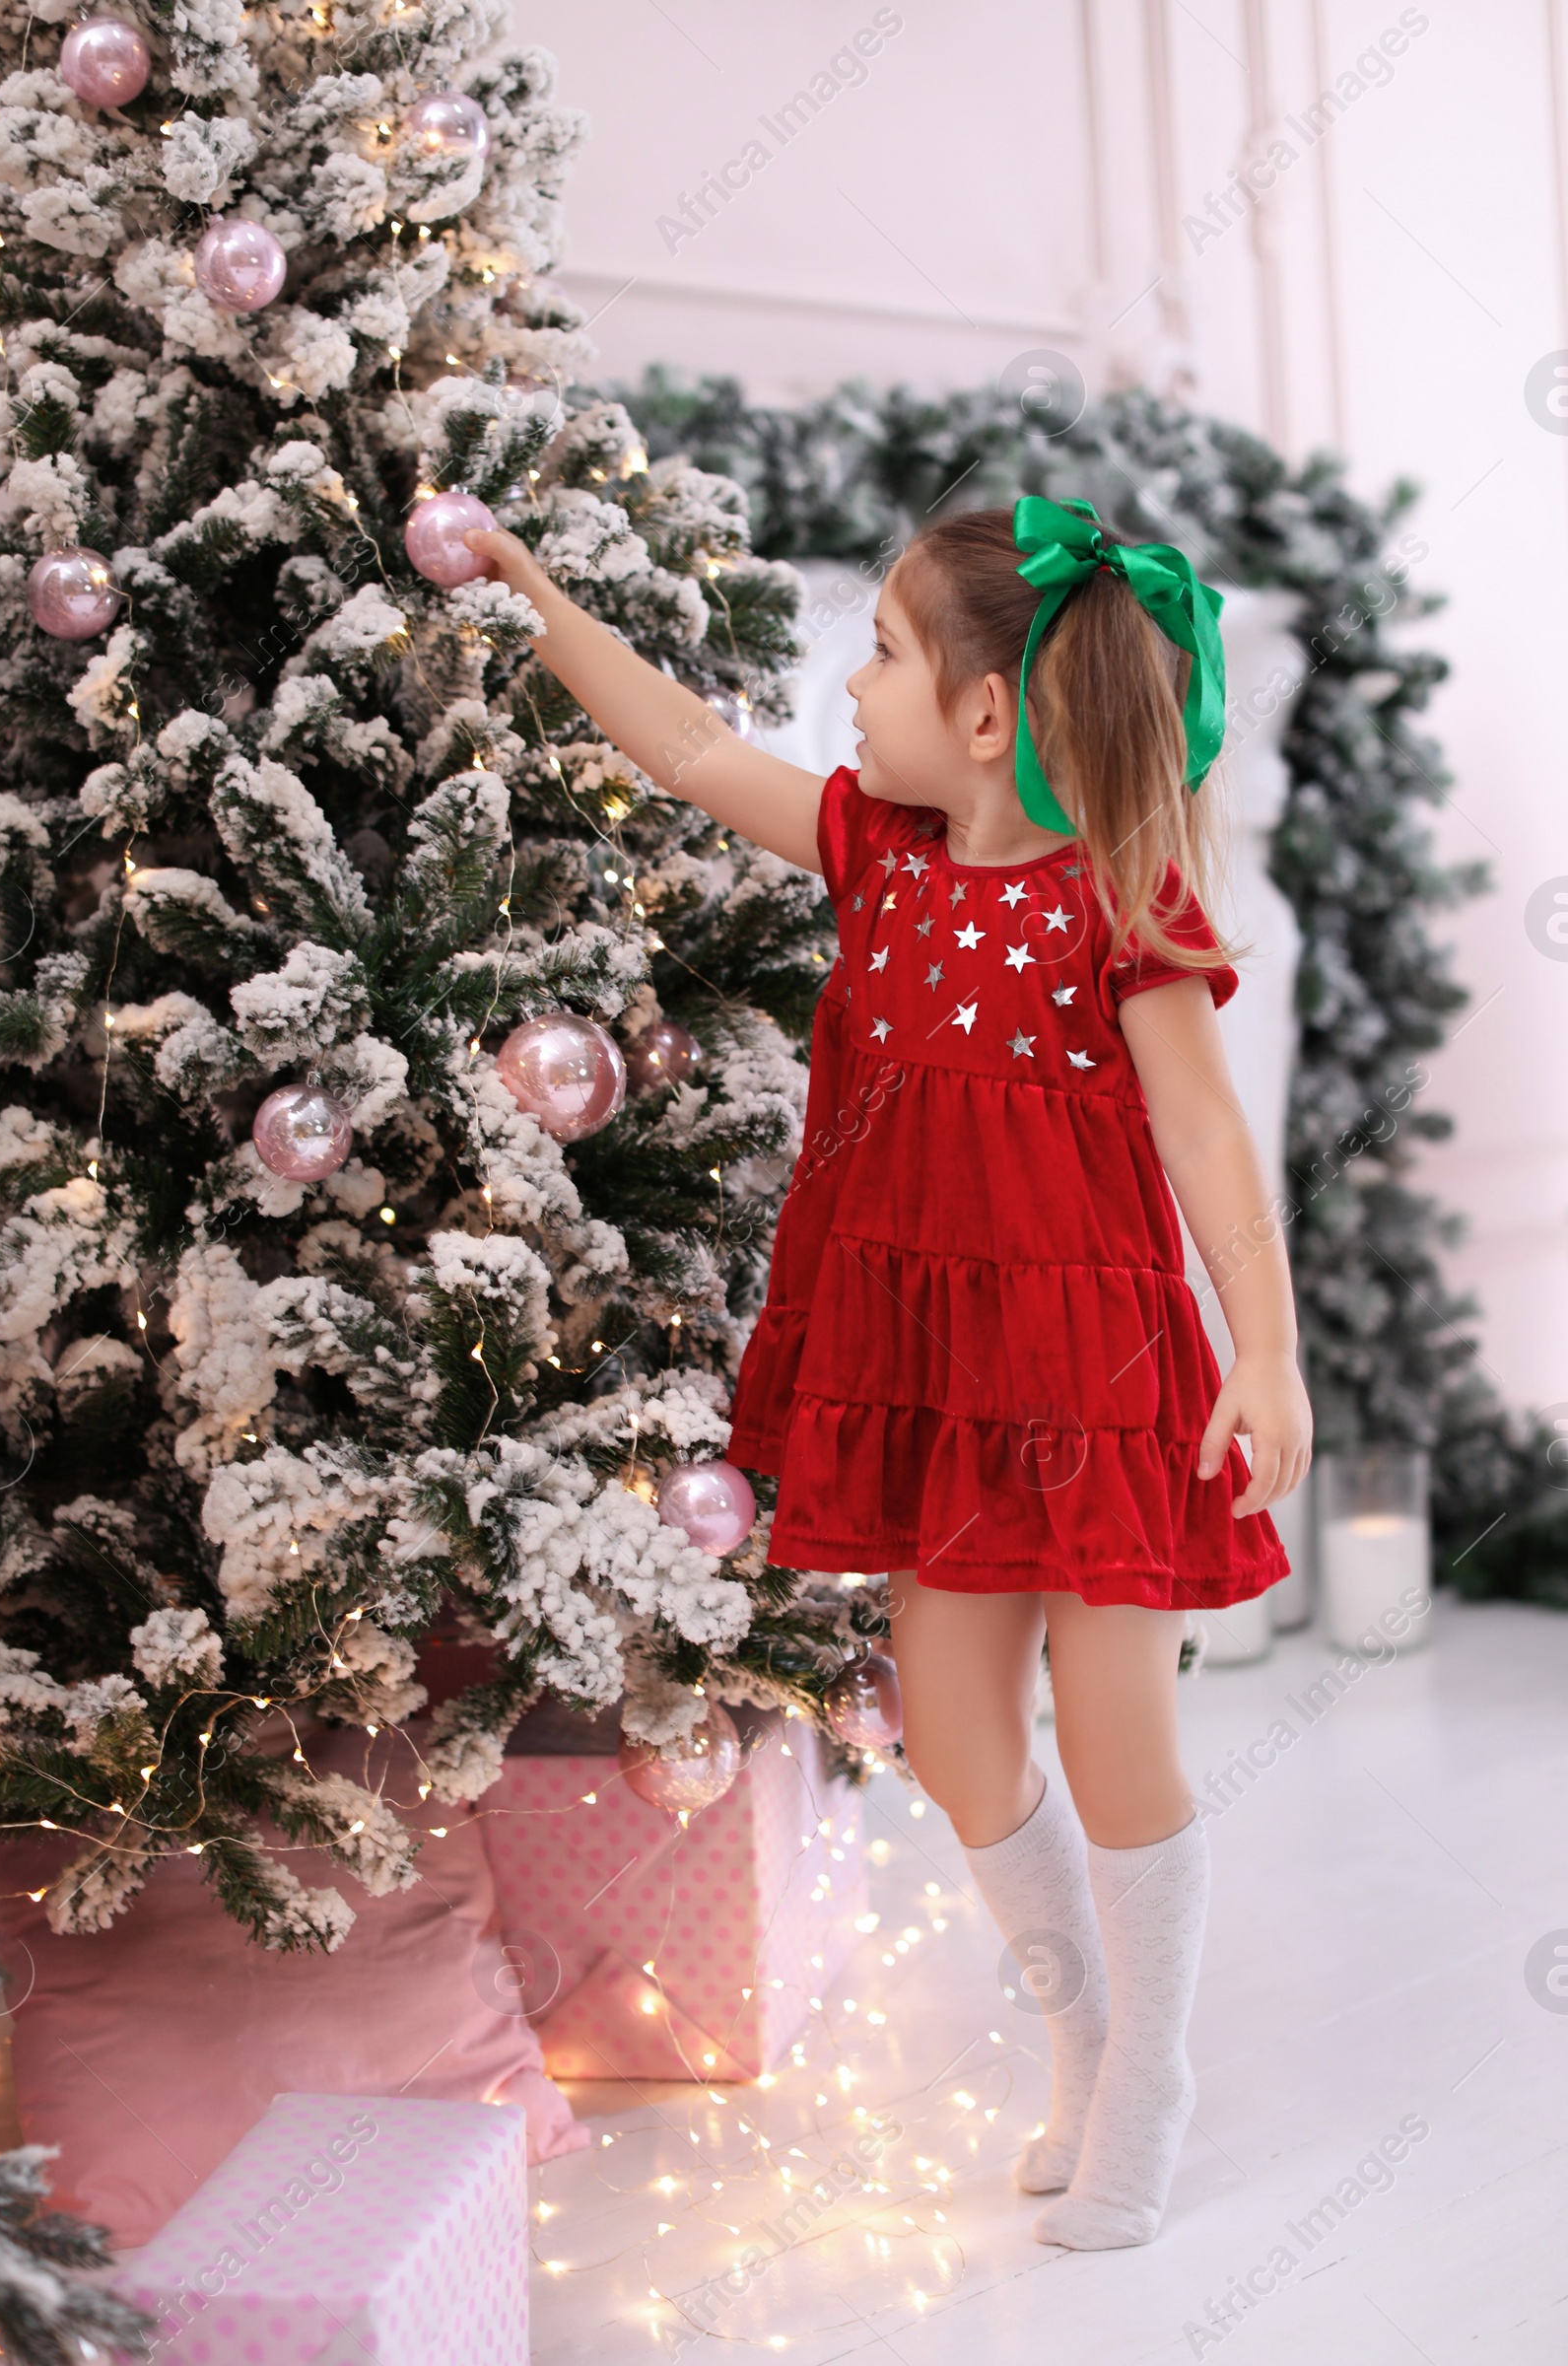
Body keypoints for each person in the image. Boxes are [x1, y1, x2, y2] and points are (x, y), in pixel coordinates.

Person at [466, 496, 1312, 2251]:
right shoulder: (881, 853)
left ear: (988, 712)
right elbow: (694, 745)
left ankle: (1148, 2071)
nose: (849, 689)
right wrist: (534, 595)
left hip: (1094, 1372)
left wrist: (1269, 1358)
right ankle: (1077, 2024)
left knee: (1120, 1736)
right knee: (947, 1730)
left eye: (880, 653)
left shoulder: (1115, 904)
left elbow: (1209, 1145)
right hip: (935, 1375)